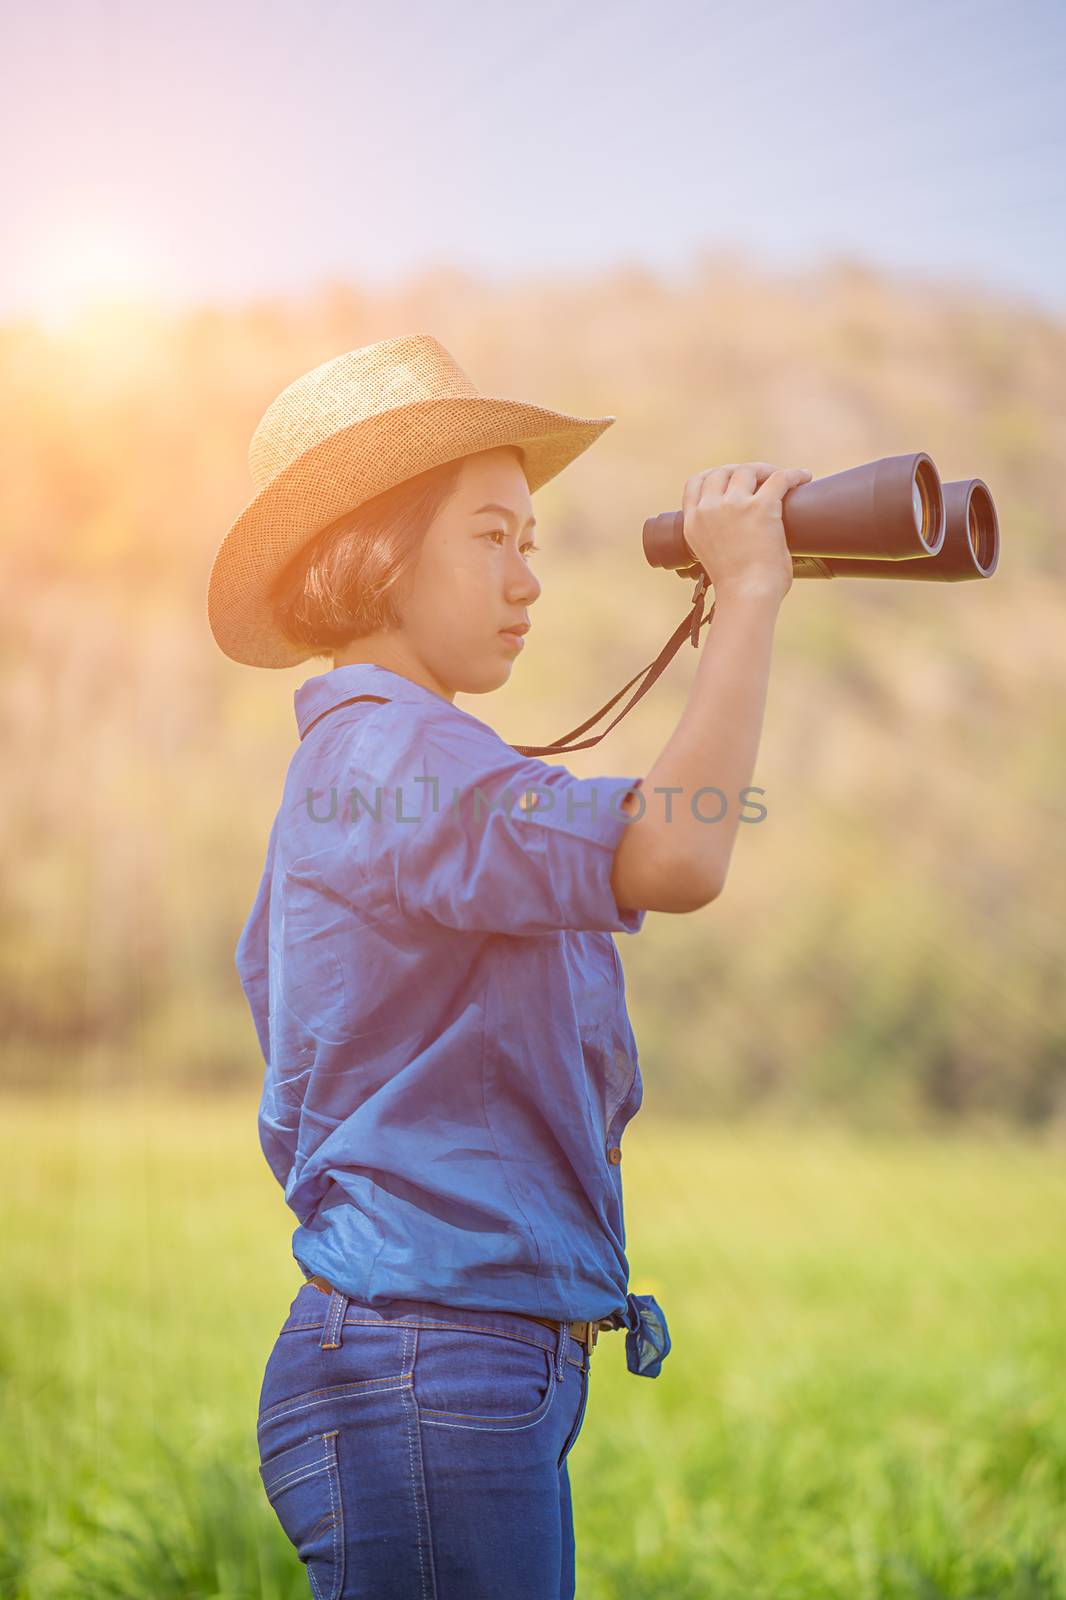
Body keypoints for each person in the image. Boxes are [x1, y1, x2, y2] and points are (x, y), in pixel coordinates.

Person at [207, 333, 811, 1600]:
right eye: (491, 536)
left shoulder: (389, 768)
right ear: (376, 550)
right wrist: (748, 594)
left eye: (530, 540)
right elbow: (678, 853)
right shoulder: (392, 764)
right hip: (426, 1372)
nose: (527, 577)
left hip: (439, 1369)